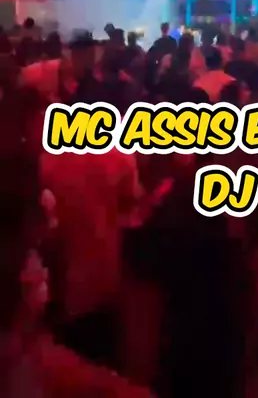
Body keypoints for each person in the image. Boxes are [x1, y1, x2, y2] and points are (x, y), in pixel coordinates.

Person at [0, 122, 153, 398]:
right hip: (100, 281)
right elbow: (132, 209)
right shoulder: (117, 155)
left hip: (63, 294)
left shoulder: (47, 159)